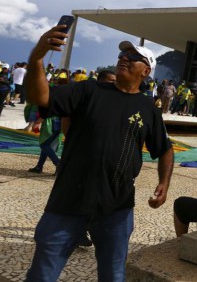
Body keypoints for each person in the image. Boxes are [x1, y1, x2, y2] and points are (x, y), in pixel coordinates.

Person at [23, 25, 174, 282]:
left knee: (113, 275)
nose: (124, 58)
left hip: (117, 208)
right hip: (68, 202)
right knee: (42, 274)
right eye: (122, 55)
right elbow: (41, 96)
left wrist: (164, 182)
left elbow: (166, 149)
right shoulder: (89, 90)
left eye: (133, 57)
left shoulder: (148, 109)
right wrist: (36, 57)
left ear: (146, 71)